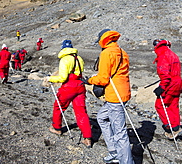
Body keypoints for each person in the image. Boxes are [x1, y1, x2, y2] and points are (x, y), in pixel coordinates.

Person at [86, 29, 134, 164]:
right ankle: (114, 151)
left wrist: (89, 80)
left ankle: (125, 161)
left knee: (120, 133)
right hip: (123, 93)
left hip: (114, 96)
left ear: (103, 40)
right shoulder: (122, 52)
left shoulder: (107, 53)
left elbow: (102, 79)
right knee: (101, 117)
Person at [43, 40, 92, 148]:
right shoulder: (79, 58)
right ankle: (87, 138)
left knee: (58, 107)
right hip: (80, 86)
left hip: (68, 87)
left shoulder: (65, 60)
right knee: (81, 111)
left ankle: (57, 128)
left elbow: (63, 77)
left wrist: (50, 78)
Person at [152, 39, 182, 140]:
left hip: (171, 84)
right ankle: (176, 127)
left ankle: (169, 128)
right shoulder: (172, 54)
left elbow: (165, 75)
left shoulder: (163, 55)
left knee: (159, 105)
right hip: (178, 82)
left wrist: (161, 87)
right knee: (173, 105)